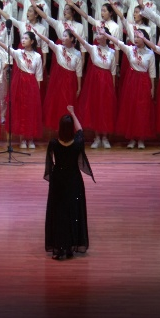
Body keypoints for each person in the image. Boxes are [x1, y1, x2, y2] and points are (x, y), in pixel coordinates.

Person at [44, 106, 94, 261]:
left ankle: (59, 248)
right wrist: (72, 112)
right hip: (74, 181)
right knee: (73, 212)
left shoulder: (53, 143)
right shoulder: (78, 143)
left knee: (59, 214)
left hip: (58, 181)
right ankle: (71, 246)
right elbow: (80, 130)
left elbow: (49, 165)